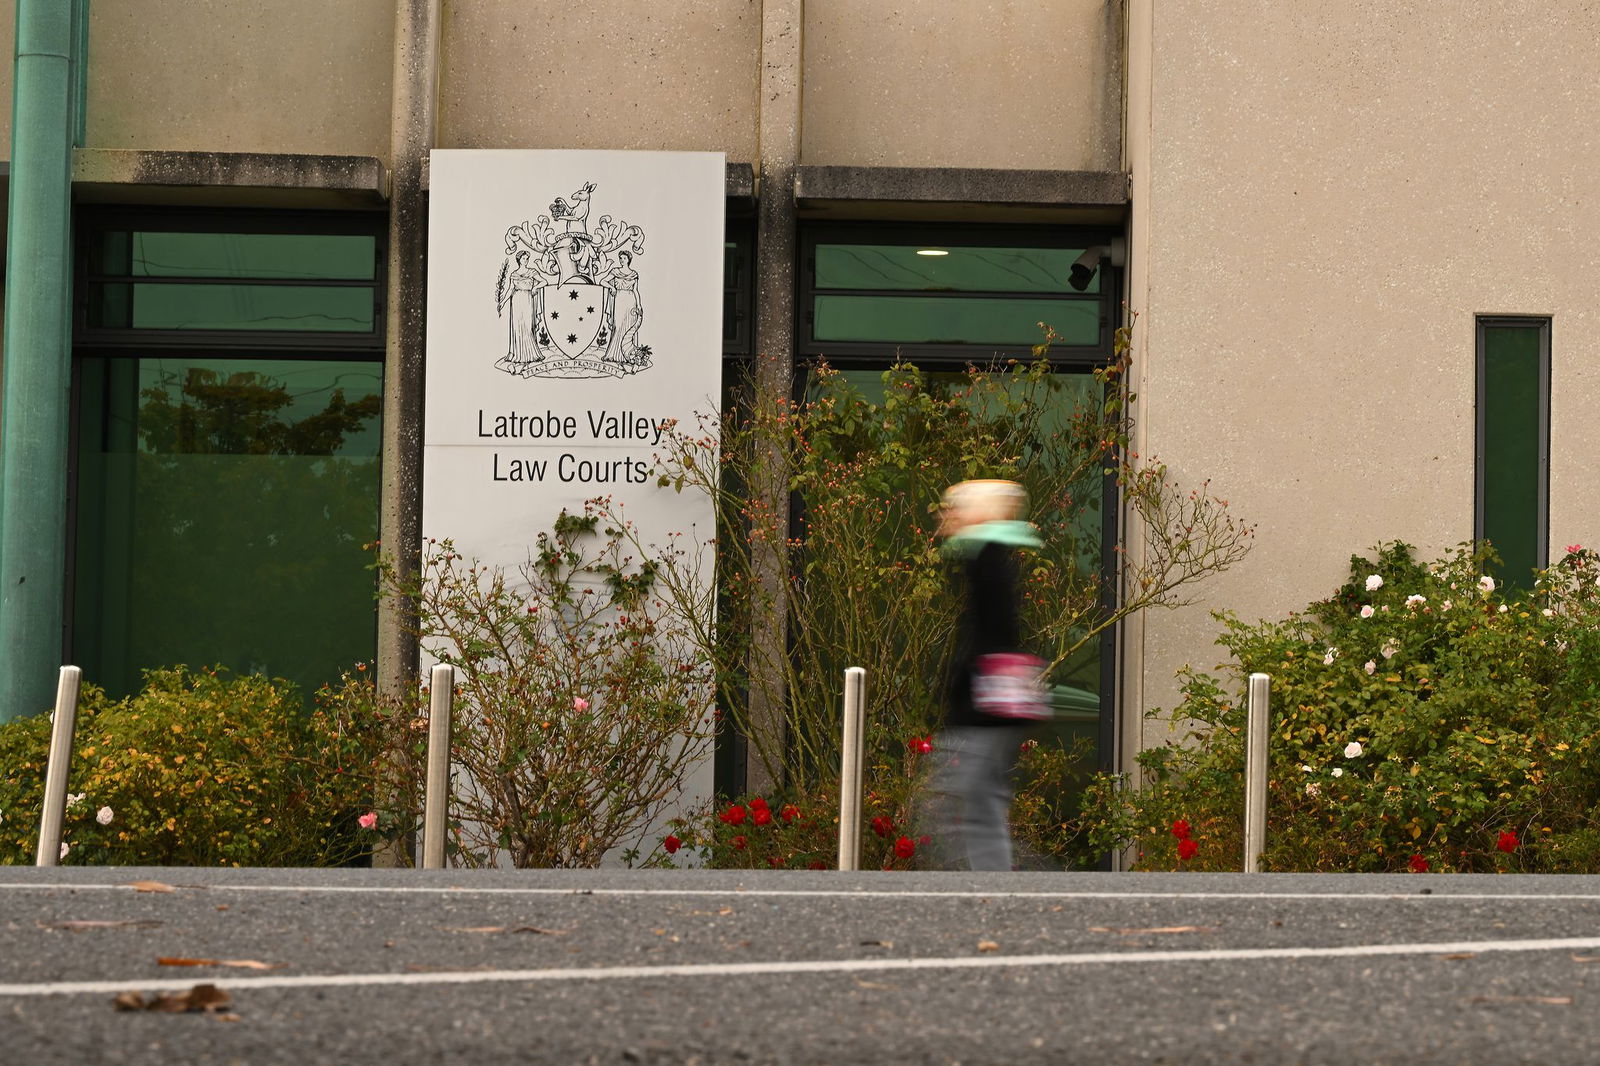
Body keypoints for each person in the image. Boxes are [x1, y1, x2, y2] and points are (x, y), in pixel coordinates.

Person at [925, 479, 1043, 871]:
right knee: (982, 803)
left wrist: (960, 691)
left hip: (984, 705)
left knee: (968, 806)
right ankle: (999, 885)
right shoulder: (990, 558)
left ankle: (1004, 886)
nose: (947, 517)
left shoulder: (986, 560)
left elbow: (990, 636)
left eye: (955, 509)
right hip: (993, 702)